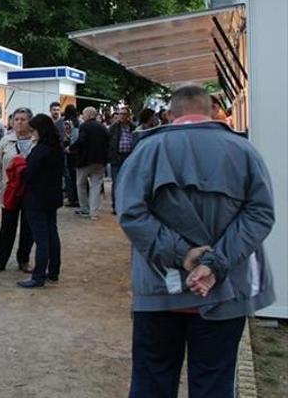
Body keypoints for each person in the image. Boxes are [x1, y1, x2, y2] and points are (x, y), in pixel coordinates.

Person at [117, 85, 275, 397]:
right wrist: (214, 263)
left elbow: (131, 213)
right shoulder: (244, 151)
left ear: (170, 114)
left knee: (151, 382)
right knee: (214, 383)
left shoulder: (147, 150)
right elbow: (260, 214)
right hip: (225, 292)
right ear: (213, 111)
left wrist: (185, 255)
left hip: (160, 289)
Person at [17, 114, 64, 288]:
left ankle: (38, 276)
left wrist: (21, 170)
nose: (32, 134)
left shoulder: (40, 150)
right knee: (52, 234)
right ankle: (53, 271)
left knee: (41, 238)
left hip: (36, 198)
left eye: (34, 130)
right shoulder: (56, 148)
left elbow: (29, 174)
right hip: (52, 197)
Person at [0, 108, 35, 274]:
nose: (20, 122)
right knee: (7, 227)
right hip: (9, 191)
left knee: (28, 228)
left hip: (30, 192)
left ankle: (24, 259)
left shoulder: (36, 142)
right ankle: (0, 260)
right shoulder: (6, 141)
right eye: (17, 119)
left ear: (30, 122)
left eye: (23, 119)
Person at [70, 107, 109, 220]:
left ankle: (85, 209)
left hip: (85, 161)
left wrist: (71, 148)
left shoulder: (84, 126)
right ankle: (94, 212)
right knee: (96, 186)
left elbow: (81, 141)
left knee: (80, 184)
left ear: (87, 115)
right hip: (100, 161)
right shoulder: (102, 127)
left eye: (83, 114)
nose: (82, 116)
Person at [108, 107, 136, 215]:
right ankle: (116, 206)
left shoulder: (133, 127)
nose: (122, 116)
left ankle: (127, 205)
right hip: (117, 157)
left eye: (124, 114)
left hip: (129, 157)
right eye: (120, 114)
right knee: (116, 182)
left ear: (128, 116)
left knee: (129, 182)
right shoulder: (113, 127)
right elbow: (109, 142)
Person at [61, 104, 80, 207]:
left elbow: (67, 137)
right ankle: (79, 198)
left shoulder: (67, 122)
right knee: (76, 175)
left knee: (69, 176)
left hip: (69, 150)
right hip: (77, 151)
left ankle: (72, 198)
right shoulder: (78, 122)